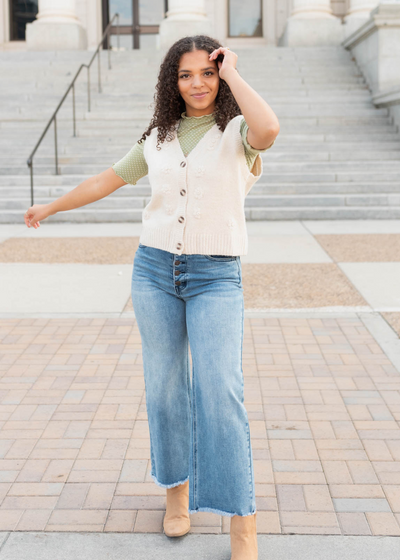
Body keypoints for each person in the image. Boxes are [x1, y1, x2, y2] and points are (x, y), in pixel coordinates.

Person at [24, 34, 279, 560]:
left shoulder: (237, 131)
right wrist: (49, 209)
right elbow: (106, 179)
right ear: (173, 82)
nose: (197, 84)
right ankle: (176, 492)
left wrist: (232, 71)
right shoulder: (157, 139)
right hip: (154, 271)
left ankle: (241, 520)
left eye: (206, 73)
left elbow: (270, 128)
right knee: (164, 388)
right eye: (186, 75)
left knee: (220, 390)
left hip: (215, 276)